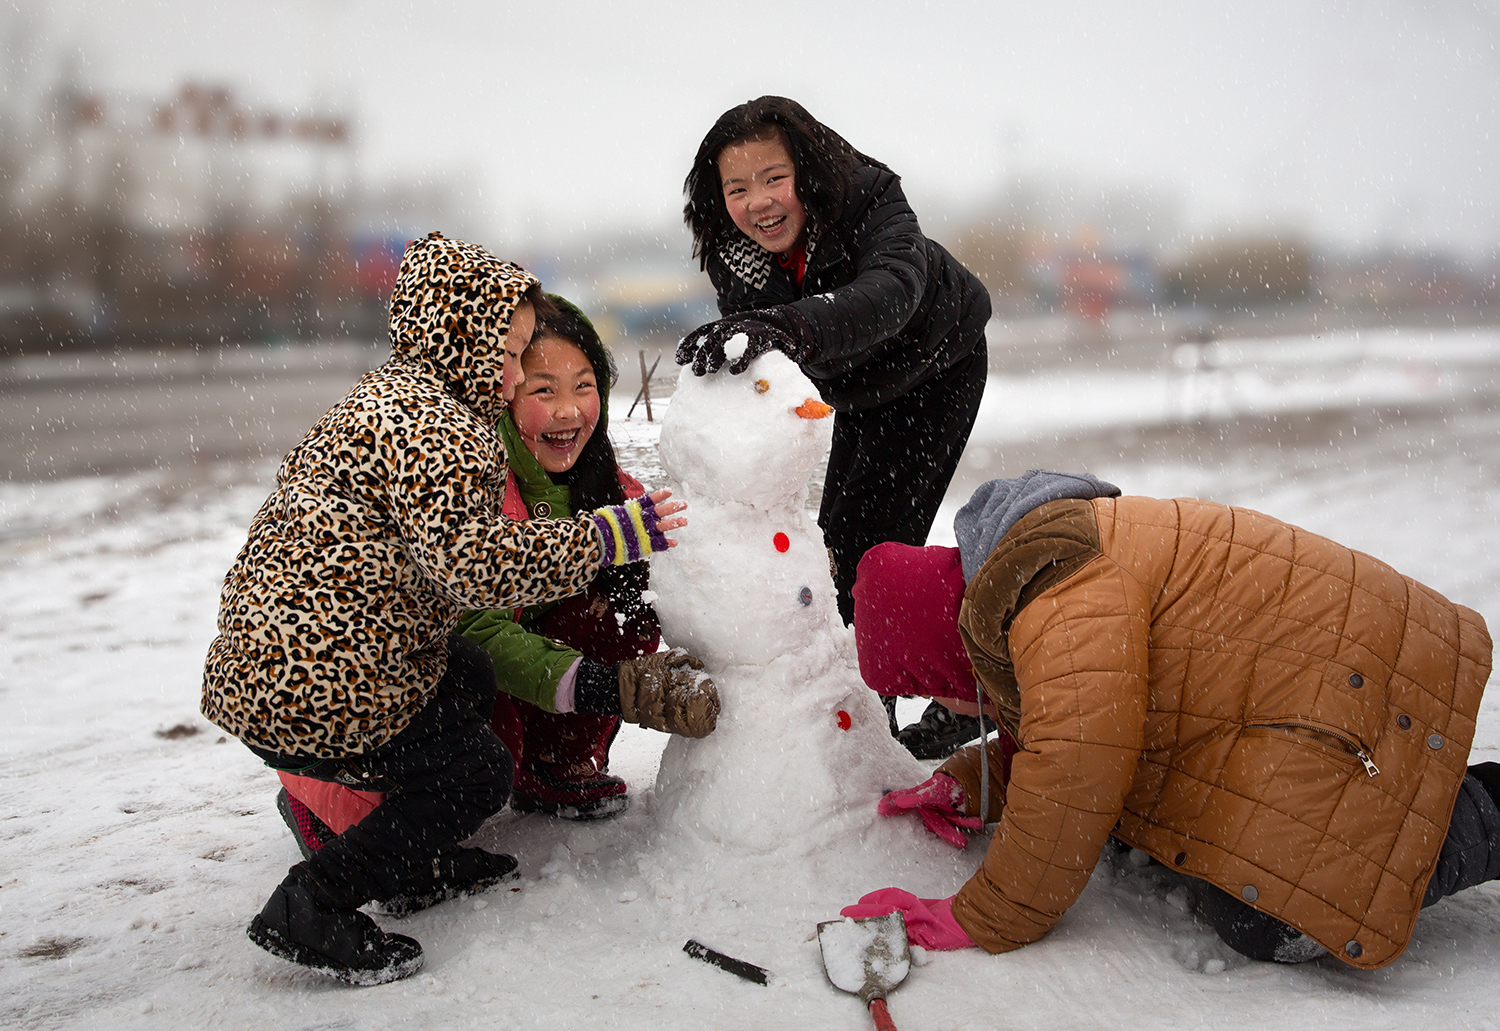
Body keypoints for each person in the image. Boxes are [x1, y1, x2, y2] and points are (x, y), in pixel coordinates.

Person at [201, 233, 718, 986]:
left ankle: (412, 860)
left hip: (279, 662)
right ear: (458, 340)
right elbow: (476, 567)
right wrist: (608, 537)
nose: (512, 377)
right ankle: (313, 902)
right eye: (507, 357)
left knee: (468, 673)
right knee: (476, 773)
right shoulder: (442, 431)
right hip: (318, 681)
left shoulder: (386, 398)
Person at [843, 470, 1496, 969]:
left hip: (1335, 683)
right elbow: (1064, 723)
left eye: (923, 691)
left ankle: (1486, 812)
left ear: (942, 666)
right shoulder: (1025, 574)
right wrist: (970, 784)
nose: (947, 710)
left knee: (1276, 911)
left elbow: (1077, 762)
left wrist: (981, 916)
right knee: (1189, 851)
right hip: (1303, 679)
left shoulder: (1056, 597)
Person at [274, 295, 676, 854]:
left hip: (494, 671)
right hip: (376, 683)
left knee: (627, 600)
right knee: (473, 746)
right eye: (543, 390)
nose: (568, 412)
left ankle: (552, 762)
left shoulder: (606, 485)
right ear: (502, 391)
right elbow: (473, 627)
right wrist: (598, 686)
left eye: (583, 386)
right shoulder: (465, 478)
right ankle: (328, 801)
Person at [677, 95, 992, 758]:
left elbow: (893, 290)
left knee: (871, 553)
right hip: (855, 387)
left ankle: (884, 723)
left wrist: (788, 326)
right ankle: (940, 689)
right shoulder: (733, 251)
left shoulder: (868, 198)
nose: (758, 203)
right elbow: (763, 353)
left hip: (935, 366)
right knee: (838, 546)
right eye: (737, 188)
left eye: (773, 178)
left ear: (808, 171)